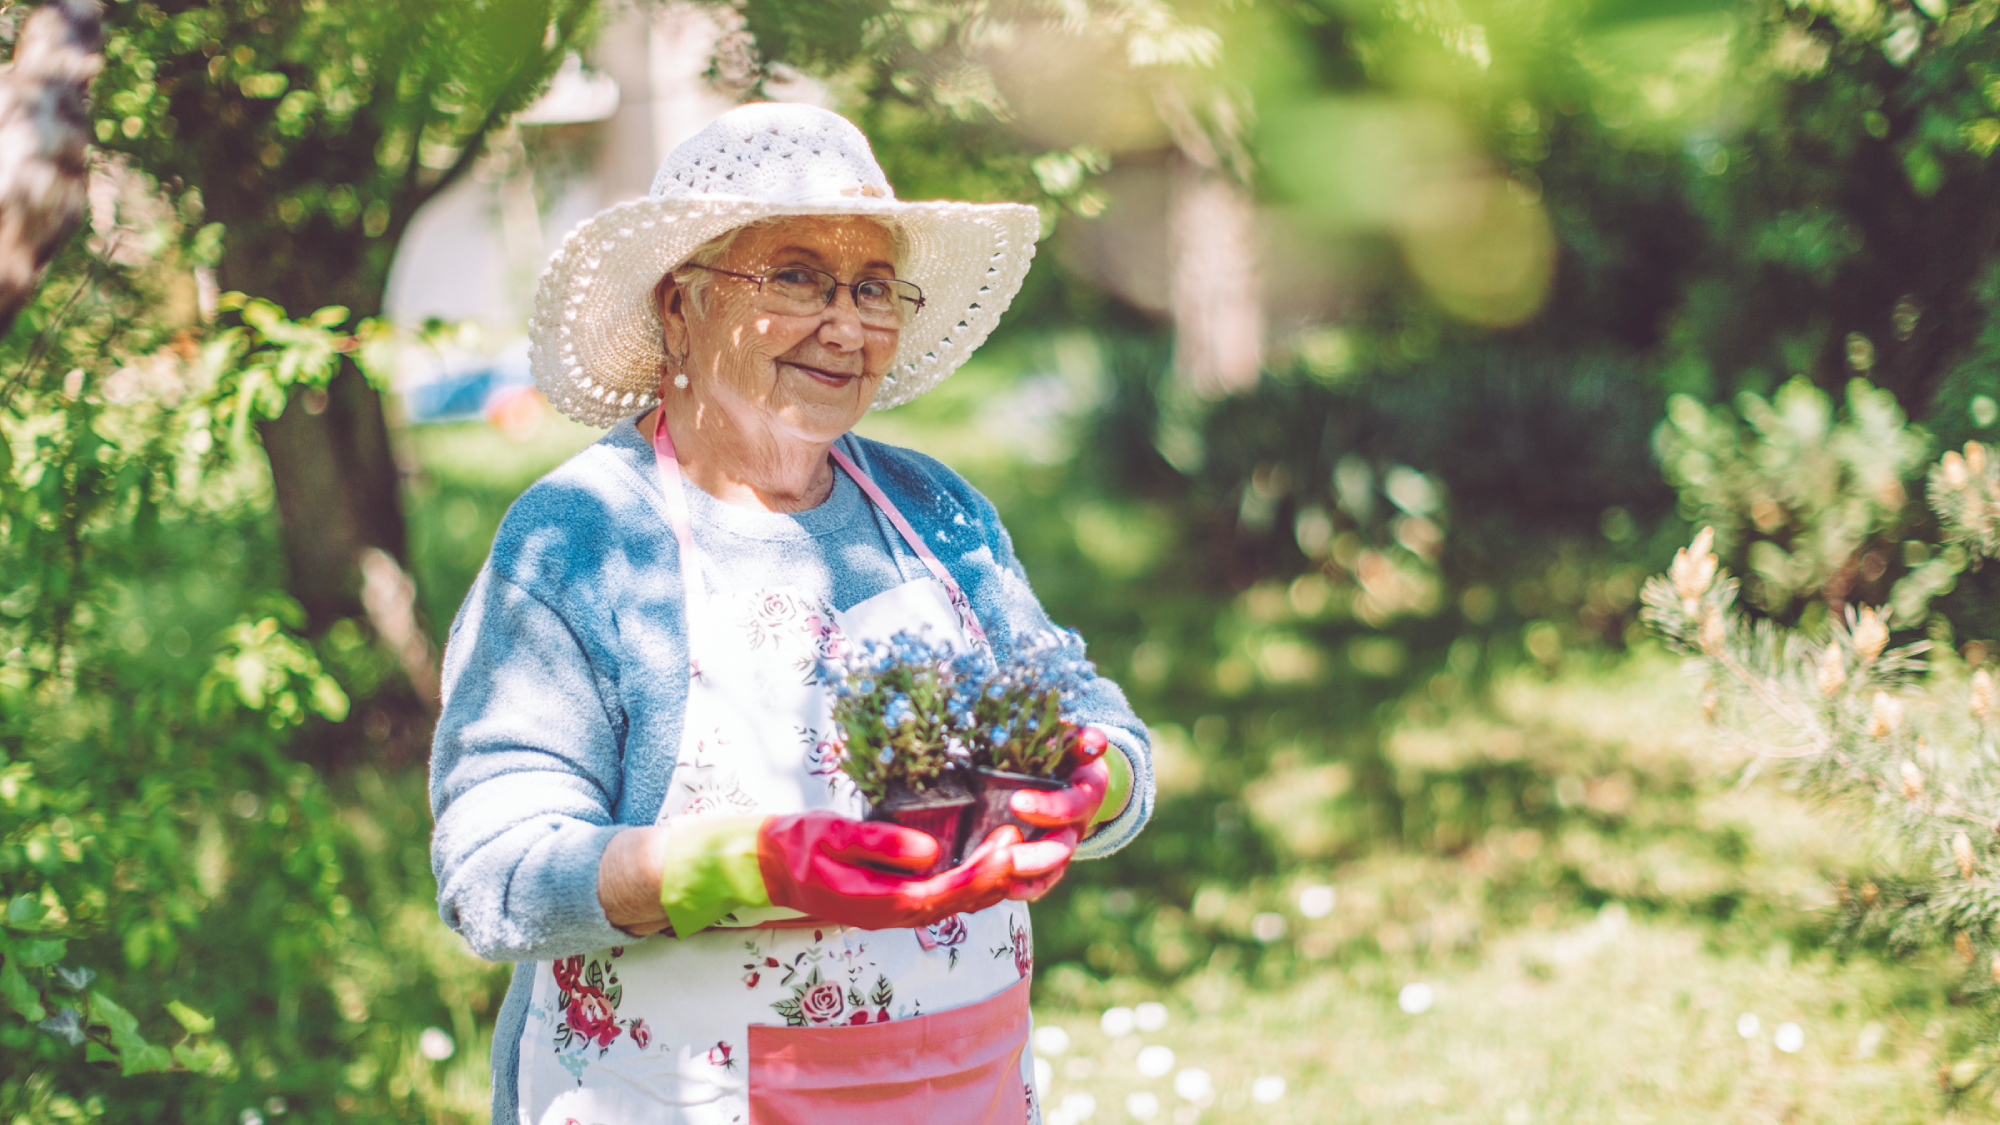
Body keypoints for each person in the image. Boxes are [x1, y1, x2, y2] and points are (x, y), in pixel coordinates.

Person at [430, 102, 1154, 1125]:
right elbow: (495, 871)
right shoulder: (583, 534)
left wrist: (1087, 782)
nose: (847, 325)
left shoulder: (933, 511)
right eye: (797, 277)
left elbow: (1094, 722)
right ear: (679, 306)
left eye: (870, 288)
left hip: (959, 1087)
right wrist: (746, 865)